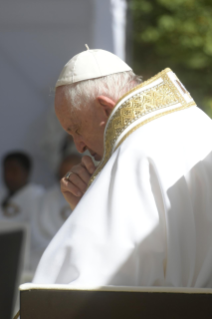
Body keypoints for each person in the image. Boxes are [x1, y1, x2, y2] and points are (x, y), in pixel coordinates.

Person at [33, 49, 212, 288]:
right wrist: (95, 205)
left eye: (76, 129)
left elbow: (96, 286)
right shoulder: (199, 122)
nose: (79, 146)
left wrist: (94, 212)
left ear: (106, 109)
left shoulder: (133, 154)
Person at [31, 154, 81, 261]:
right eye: (62, 176)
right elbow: (36, 234)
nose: (66, 182)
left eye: (71, 176)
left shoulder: (93, 196)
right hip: (47, 255)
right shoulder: (43, 200)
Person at [0, 151, 44, 222]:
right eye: (6, 170)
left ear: (26, 172)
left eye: (14, 171)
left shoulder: (38, 195)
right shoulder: (2, 194)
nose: (8, 176)